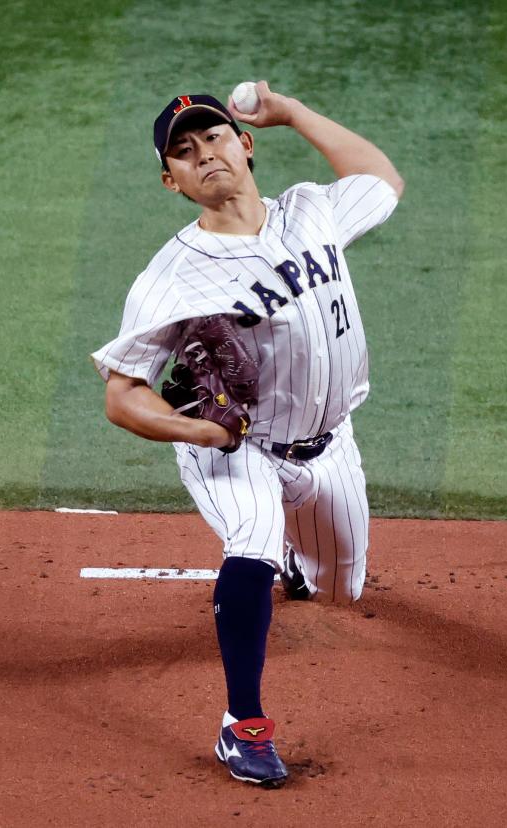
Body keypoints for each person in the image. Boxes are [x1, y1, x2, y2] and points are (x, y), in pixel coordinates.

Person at [91, 82, 403, 788]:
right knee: (250, 545)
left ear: (246, 143)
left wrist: (293, 111)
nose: (206, 155)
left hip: (330, 442)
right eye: (185, 152)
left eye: (215, 137)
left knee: (341, 592)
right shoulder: (170, 277)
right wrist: (197, 429)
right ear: (171, 182)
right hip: (239, 448)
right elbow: (121, 395)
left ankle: (299, 564)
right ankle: (243, 727)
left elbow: (382, 179)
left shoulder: (311, 211)